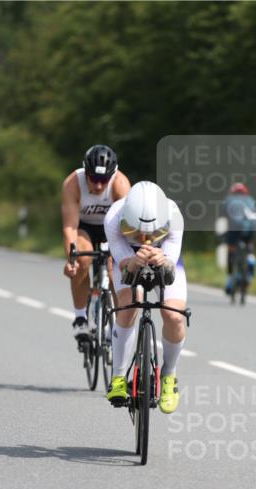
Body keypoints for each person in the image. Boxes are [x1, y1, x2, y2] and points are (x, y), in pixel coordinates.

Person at [103, 181, 187, 414]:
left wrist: (162, 259)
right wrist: (133, 261)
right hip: (128, 260)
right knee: (128, 306)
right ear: (125, 221)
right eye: (135, 232)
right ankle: (119, 377)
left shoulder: (174, 215)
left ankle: (169, 376)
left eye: (152, 233)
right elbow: (123, 264)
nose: (143, 238)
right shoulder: (113, 217)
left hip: (165, 259)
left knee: (174, 316)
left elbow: (169, 269)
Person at [61, 144, 131, 342]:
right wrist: (71, 259)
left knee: (115, 269)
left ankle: (118, 323)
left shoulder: (121, 185)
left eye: (104, 180)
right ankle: (80, 317)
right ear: (86, 173)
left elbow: (127, 229)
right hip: (84, 227)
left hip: (113, 229)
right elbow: (70, 228)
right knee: (82, 259)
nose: (99, 186)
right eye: (94, 179)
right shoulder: (73, 184)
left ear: (112, 175)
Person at [223, 182, 256, 295]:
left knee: (231, 251)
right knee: (250, 244)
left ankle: (229, 280)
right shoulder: (251, 199)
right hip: (251, 226)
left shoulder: (229, 199)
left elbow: (222, 216)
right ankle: (251, 258)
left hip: (235, 227)